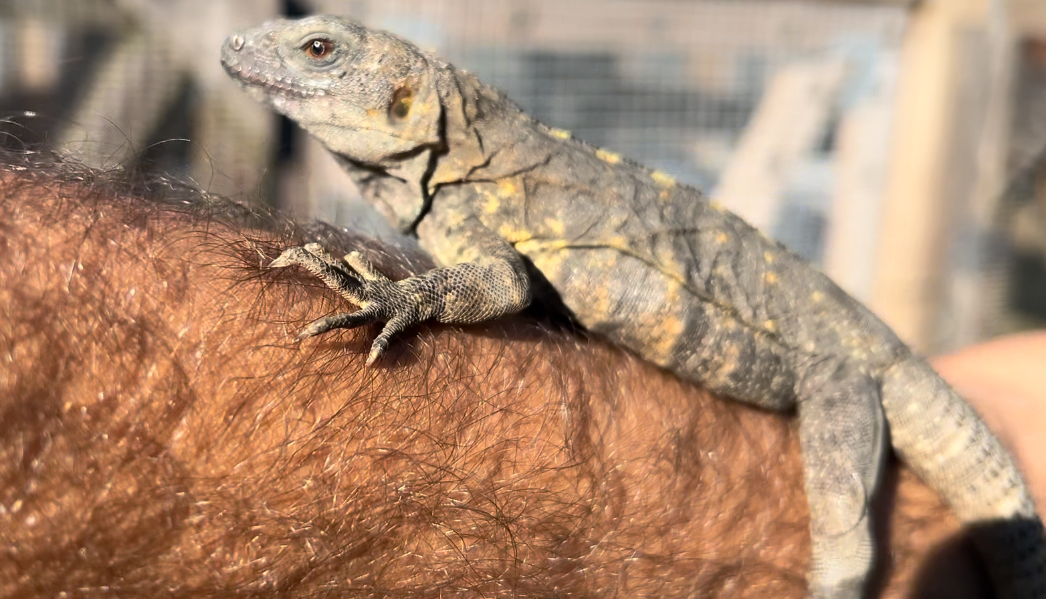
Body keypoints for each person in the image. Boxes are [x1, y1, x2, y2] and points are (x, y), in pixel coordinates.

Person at [0, 156, 1041, 598]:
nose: (276, 63)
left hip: (876, 389)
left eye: (323, 54)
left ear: (405, 92)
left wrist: (409, 300)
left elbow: (503, 277)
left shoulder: (490, 190)